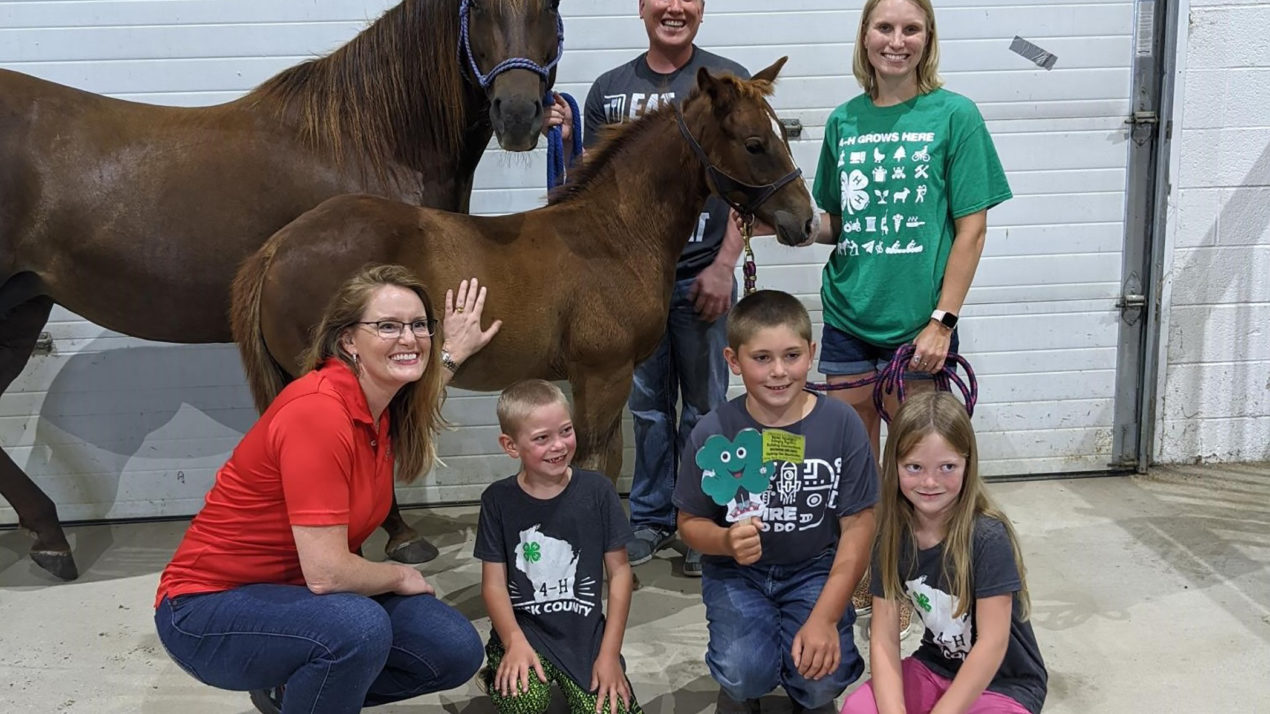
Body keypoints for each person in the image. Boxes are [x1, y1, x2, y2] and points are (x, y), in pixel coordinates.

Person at [154, 266, 501, 714]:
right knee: (358, 626)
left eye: (419, 325)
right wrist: (398, 575)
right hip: (207, 610)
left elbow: (422, 387)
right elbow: (327, 574)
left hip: (299, 601)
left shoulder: (381, 405)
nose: (410, 338)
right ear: (348, 341)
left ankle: (293, 695)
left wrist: (452, 350)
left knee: (453, 648)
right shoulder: (318, 413)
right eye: (388, 326)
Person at [543, 0, 748, 576]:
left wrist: (723, 267)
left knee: (706, 405)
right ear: (641, 7)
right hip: (627, 280)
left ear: (702, 9)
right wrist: (563, 142)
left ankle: (701, 519)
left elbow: (747, 184)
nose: (674, 7)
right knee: (647, 407)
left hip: (701, 272)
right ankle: (653, 516)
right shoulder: (610, 89)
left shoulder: (727, 84)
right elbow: (590, 189)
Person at [810, 0, 1012, 455]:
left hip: (920, 323)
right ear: (865, 35)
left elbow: (972, 232)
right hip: (848, 314)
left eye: (911, 29)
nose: (897, 42)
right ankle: (866, 530)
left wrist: (942, 322)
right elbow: (842, 223)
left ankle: (905, 532)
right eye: (884, 27)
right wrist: (793, 228)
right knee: (853, 458)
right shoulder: (843, 121)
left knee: (916, 456)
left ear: (928, 39)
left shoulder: (956, 115)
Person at [672, 290, 878, 713]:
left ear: (812, 352)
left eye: (792, 355)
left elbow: (859, 525)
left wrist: (823, 618)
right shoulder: (713, 431)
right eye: (761, 358)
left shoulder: (841, 425)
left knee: (821, 677)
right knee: (745, 670)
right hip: (737, 576)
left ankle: (810, 692)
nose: (779, 372)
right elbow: (689, 521)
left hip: (815, 567)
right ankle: (742, 687)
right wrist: (726, 542)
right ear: (733, 360)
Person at [840, 391, 1047, 714]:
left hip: (1003, 684)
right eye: (914, 467)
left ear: (968, 464)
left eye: (947, 466)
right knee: (858, 708)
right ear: (893, 465)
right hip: (935, 667)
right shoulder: (892, 536)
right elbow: (884, 640)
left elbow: (992, 644)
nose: (930, 481)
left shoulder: (987, 536)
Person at [475, 379, 640, 714]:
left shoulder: (598, 491)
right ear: (510, 445)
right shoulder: (497, 500)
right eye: (541, 438)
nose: (559, 445)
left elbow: (621, 573)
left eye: (565, 431)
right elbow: (493, 585)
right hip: (526, 631)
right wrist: (513, 641)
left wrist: (609, 655)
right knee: (525, 702)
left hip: (585, 637)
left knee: (612, 709)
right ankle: (497, 668)